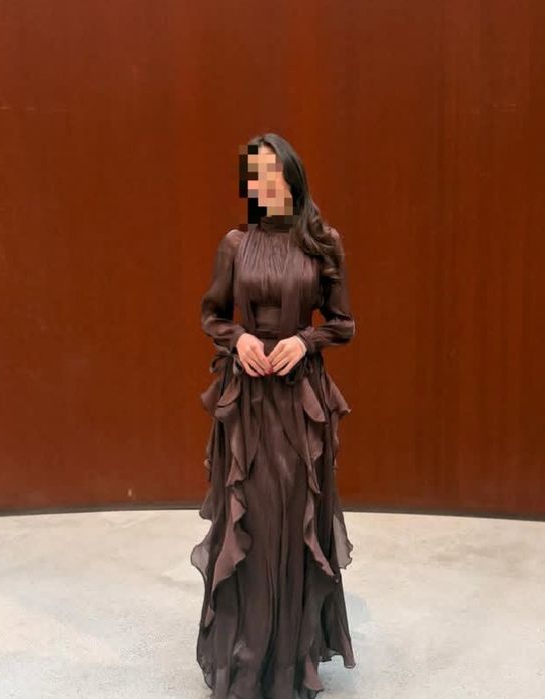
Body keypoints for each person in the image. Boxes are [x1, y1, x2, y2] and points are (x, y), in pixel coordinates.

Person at [191, 132, 357, 699]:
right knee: (254, 524)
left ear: (292, 176)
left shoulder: (323, 243)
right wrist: (237, 337)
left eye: (272, 173)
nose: (262, 184)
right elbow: (212, 315)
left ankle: (290, 665)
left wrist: (304, 340)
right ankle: (248, 660)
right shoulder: (235, 244)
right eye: (253, 175)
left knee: (297, 521)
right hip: (247, 403)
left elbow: (343, 323)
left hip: (300, 402)